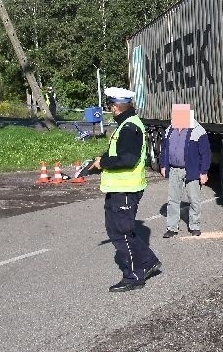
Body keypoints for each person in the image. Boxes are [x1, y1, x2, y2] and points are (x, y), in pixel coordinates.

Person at [88, 87, 161, 292]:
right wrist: (100, 161)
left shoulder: (129, 127)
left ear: (116, 106)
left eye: (111, 105)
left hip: (126, 189)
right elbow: (118, 152)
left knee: (122, 232)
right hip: (119, 187)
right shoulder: (126, 125)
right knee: (116, 229)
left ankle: (134, 276)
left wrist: (104, 163)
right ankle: (148, 262)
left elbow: (128, 159)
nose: (110, 110)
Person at [159, 104, 211, 238]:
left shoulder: (198, 130)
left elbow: (205, 153)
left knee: (194, 200)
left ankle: (195, 226)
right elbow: (164, 149)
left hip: (192, 170)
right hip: (174, 169)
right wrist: (163, 165)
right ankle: (172, 228)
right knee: (173, 200)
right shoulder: (170, 129)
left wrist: (203, 172)